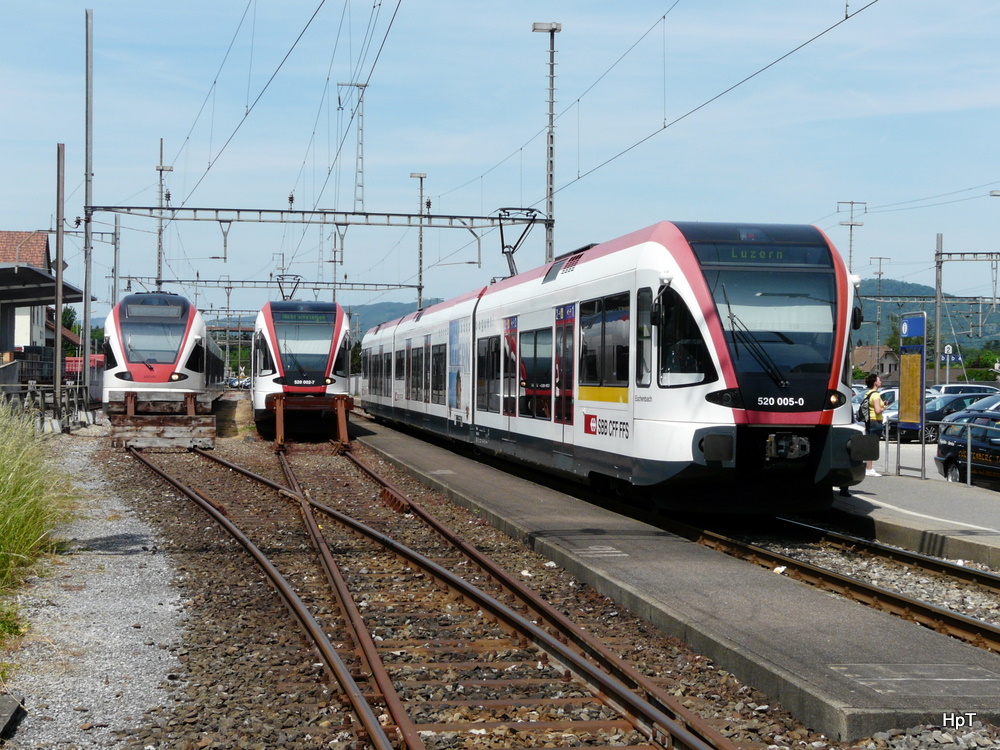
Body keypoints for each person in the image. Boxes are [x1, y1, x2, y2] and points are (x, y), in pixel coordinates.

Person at [862, 372, 885, 477]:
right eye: (879, 380)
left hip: (869, 421)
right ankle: (869, 468)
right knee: (873, 445)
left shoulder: (868, 393)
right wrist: (884, 407)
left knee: (869, 443)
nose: (880, 382)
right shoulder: (875, 394)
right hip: (875, 421)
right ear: (875, 383)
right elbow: (878, 410)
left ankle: (868, 467)